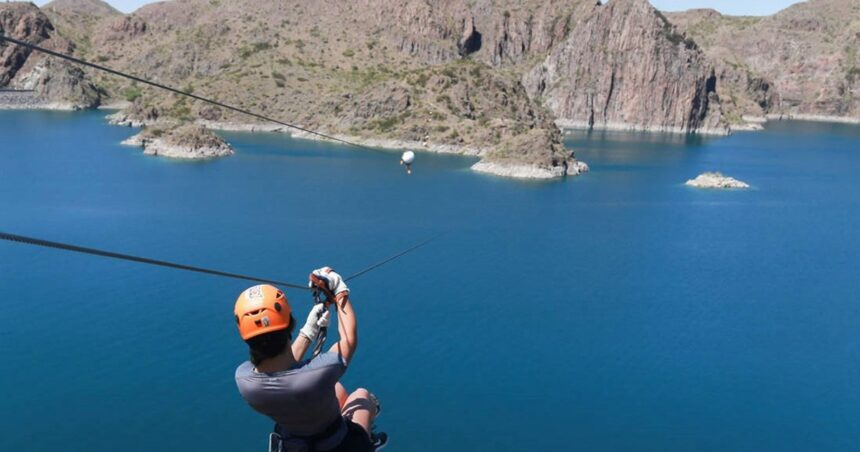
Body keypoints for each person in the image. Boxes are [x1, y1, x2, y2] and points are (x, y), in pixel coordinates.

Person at [233, 267, 383, 451]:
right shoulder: (319, 373)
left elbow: (280, 368)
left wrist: (309, 331)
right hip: (338, 445)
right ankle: (368, 439)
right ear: (289, 324)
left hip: (295, 443)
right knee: (362, 396)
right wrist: (339, 291)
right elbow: (348, 340)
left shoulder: (244, 380)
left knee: (337, 389)